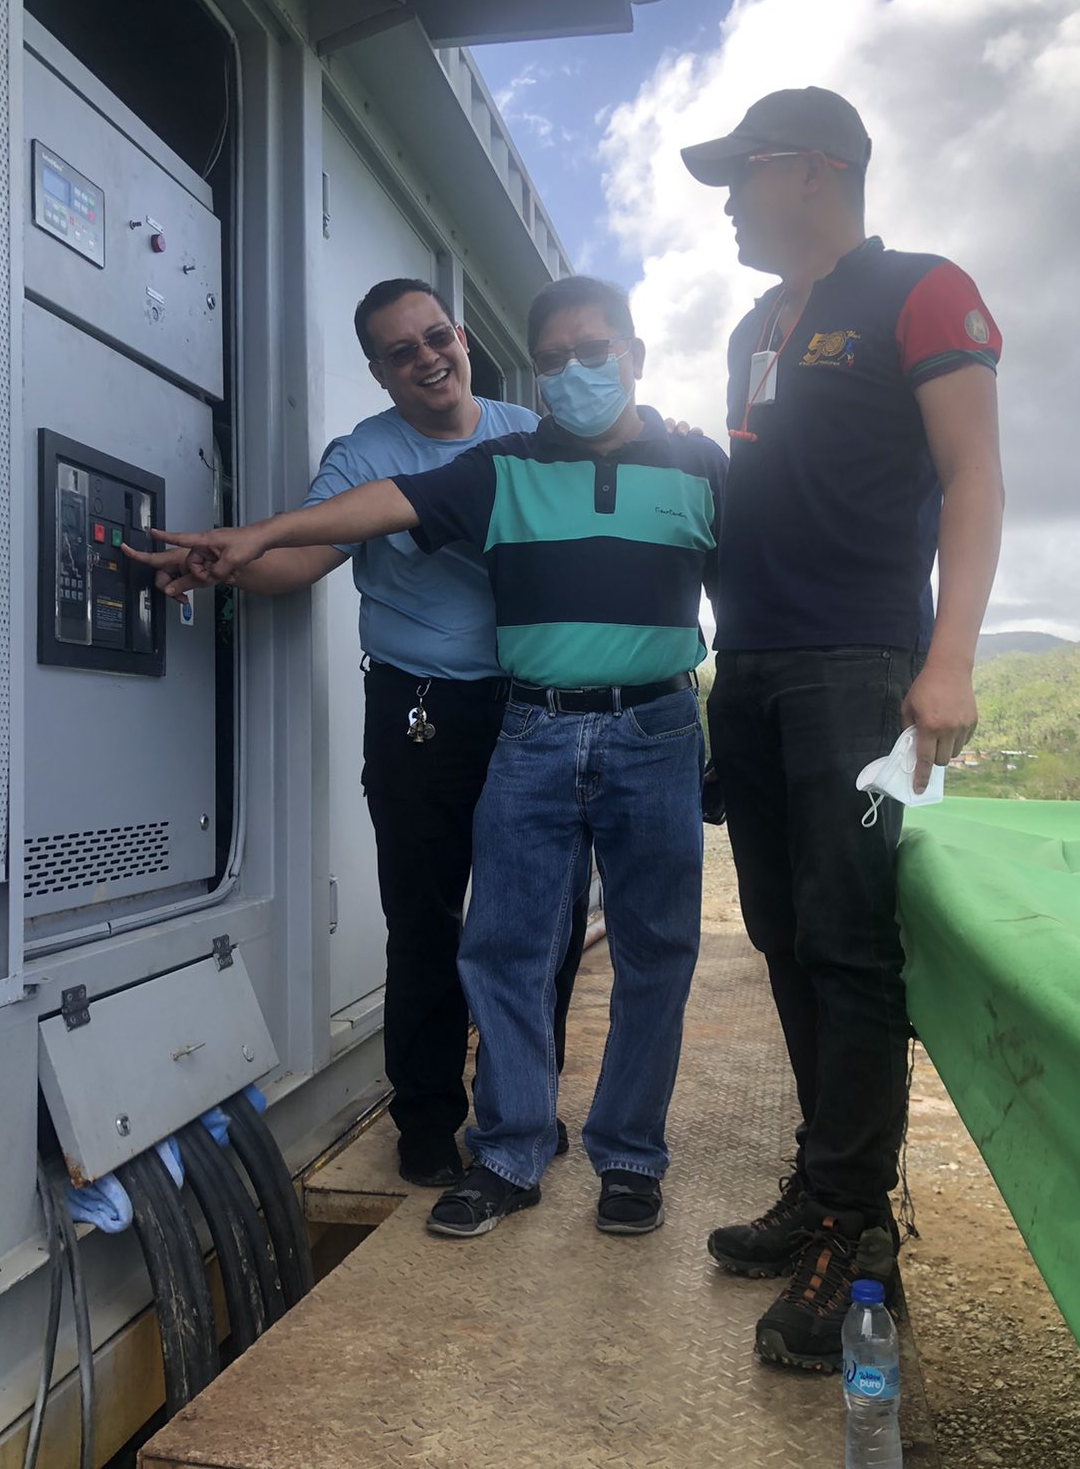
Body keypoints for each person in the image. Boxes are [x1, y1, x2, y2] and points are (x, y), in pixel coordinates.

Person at [131, 275, 728, 1241]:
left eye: (437, 336)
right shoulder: (437, 461)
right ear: (380, 370)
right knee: (461, 929)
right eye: (401, 351)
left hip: (592, 716)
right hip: (463, 715)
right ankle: (470, 1135)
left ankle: (589, 1139)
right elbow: (352, 525)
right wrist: (246, 547)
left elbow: (724, 583)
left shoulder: (613, 449)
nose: (427, 357)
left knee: (596, 941)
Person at [680, 88, 1004, 1369]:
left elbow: (974, 472)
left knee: (854, 943)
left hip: (861, 665)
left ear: (814, 170)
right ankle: (828, 1186)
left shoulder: (922, 289)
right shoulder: (756, 323)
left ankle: (859, 1231)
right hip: (749, 667)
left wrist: (952, 658)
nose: (725, 200)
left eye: (741, 173)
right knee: (784, 934)